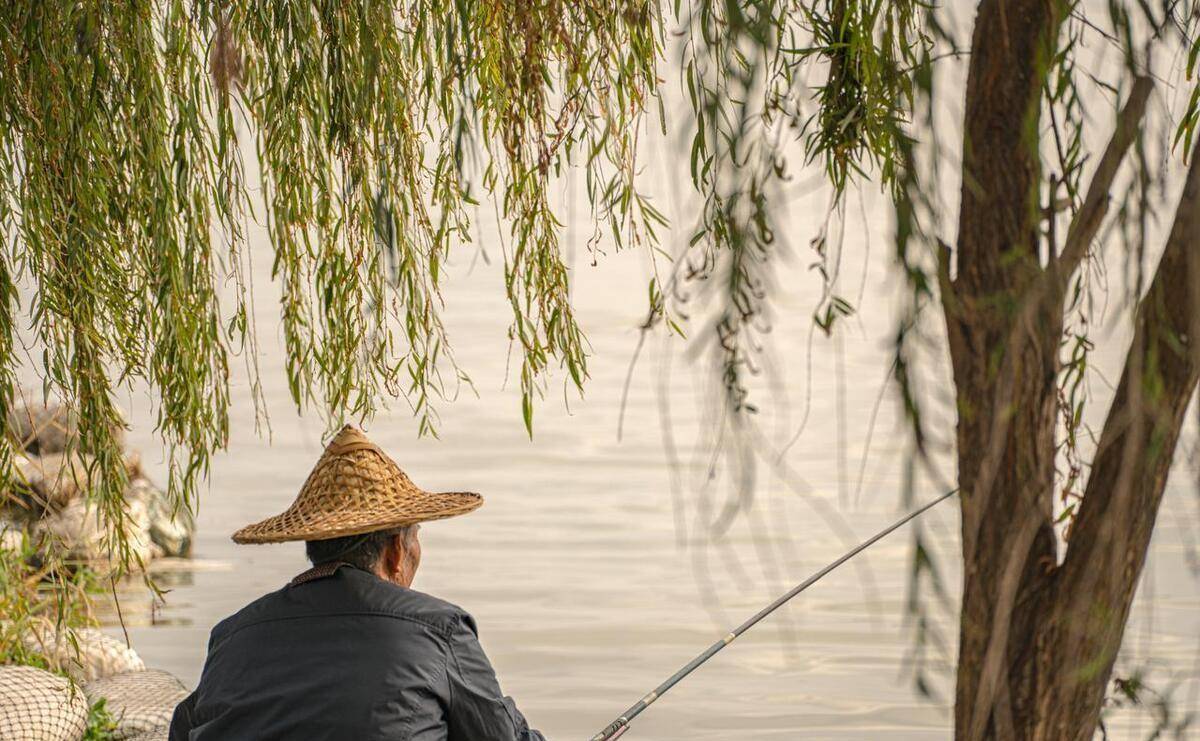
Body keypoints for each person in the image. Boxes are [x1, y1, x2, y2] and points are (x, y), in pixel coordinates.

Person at [169, 425, 546, 740]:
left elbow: (185, 728)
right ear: (397, 551)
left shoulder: (232, 635)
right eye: (416, 538)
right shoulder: (439, 629)